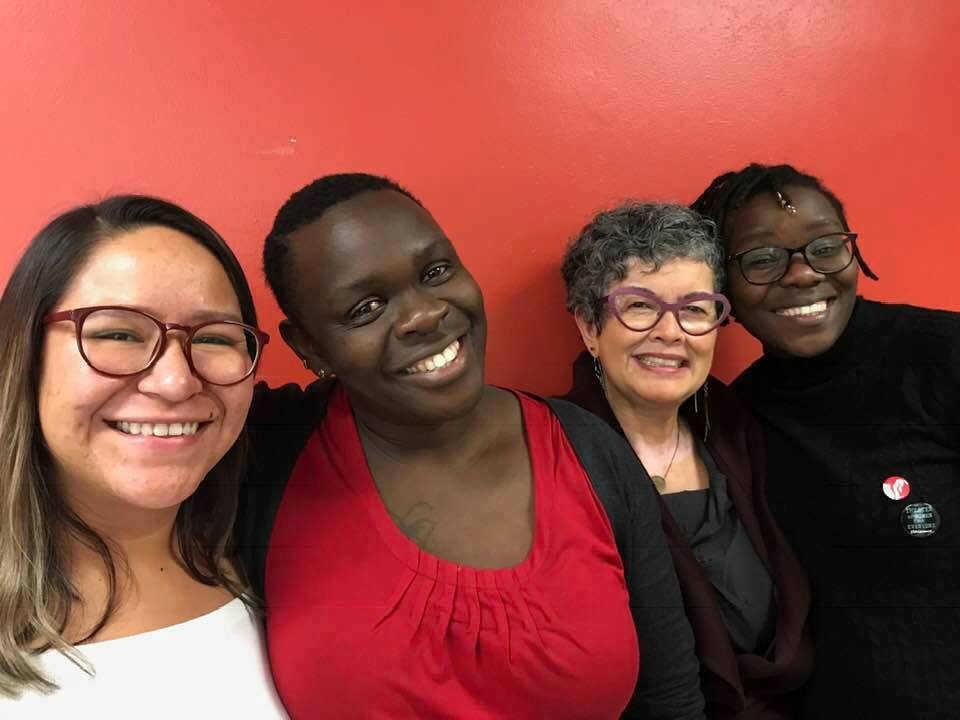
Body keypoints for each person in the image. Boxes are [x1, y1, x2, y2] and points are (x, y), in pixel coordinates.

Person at [236, 173, 707, 719]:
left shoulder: (589, 452)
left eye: (436, 272)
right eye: (366, 308)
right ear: (310, 347)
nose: (424, 314)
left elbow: (670, 698)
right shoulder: (267, 456)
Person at [0, 196, 286, 718]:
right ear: (26, 354)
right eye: (118, 333)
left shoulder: (271, 558)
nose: (176, 382)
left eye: (215, 338)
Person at [692, 163, 960, 718]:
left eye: (825, 247)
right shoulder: (734, 423)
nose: (803, 273)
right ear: (722, 288)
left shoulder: (941, 355)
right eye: (762, 259)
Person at [559, 201, 812, 719]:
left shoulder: (739, 431)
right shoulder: (558, 455)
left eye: (695, 309)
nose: (671, 332)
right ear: (589, 327)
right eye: (639, 306)